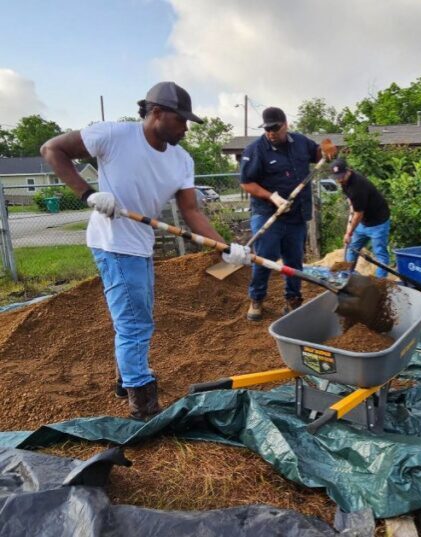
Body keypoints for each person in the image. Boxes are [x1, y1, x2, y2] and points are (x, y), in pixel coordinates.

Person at [40, 81, 252, 420]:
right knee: (135, 324)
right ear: (156, 113)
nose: (185, 128)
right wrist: (88, 194)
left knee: (137, 317)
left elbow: (192, 211)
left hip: (141, 245)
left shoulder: (182, 160)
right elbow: (51, 149)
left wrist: (225, 248)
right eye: (181, 120)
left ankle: (125, 381)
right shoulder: (112, 135)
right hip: (113, 243)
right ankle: (142, 404)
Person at [239, 107, 335, 320]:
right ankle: (257, 299)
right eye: (267, 129)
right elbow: (247, 183)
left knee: (294, 260)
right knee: (265, 257)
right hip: (267, 213)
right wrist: (272, 197)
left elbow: (319, 153)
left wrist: (327, 147)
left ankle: (293, 299)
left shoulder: (300, 142)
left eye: (275, 128)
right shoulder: (256, 150)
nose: (271, 133)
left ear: (285, 125)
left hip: (295, 215)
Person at [330, 157, 391, 278]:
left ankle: (379, 285)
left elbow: (358, 214)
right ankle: (347, 278)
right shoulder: (344, 182)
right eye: (337, 177)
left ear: (348, 170)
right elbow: (352, 205)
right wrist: (349, 230)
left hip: (378, 223)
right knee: (351, 249)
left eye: (342, 176)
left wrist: (349, 232)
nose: (340, 179)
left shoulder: (358, 186)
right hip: (363, 222)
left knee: (380, 255)